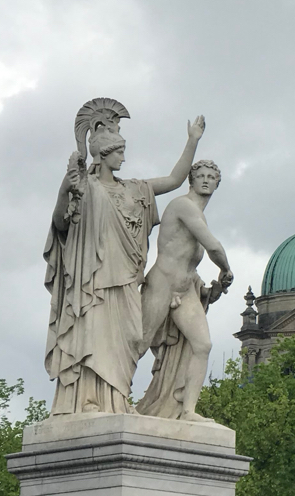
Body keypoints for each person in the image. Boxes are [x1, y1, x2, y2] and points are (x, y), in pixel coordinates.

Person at [44, 99, 206, 415]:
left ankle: (116, 401)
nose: (124, 157)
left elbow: (174, 180)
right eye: (119, 152)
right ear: (104, 156)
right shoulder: (86, 188)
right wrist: (67, 190)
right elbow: (61, 223)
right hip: (96, 277)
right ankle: (89, 401)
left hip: (129, 279)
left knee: (127, 340)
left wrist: (192, 140)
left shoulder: (135, 189)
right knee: (94, 338)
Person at [136, 160, 232, 421]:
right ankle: (114, 398)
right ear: (191, 179)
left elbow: (189, 261)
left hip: (185, 289)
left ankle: (187, 410)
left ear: (217, 184)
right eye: (200, 175)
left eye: (211, 176)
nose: (205, 179)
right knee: (140, 342)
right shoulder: (182, 206)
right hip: (162, 283)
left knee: (203, 345)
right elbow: (213, 247)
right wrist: (226, 269)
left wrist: (207, 288)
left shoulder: (200, 214)